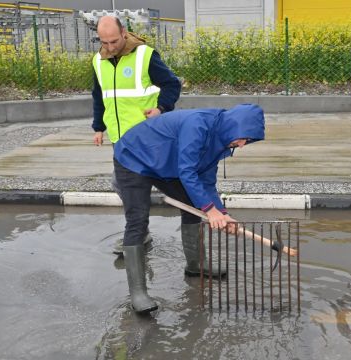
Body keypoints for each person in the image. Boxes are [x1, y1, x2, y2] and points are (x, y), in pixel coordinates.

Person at [112, 104, 265, 313]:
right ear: (233, 126)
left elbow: (206, 182)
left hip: (166, 163)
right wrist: (210, 211)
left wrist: (222, 213)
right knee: (138, 219)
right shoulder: (198, 124)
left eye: (248, 141)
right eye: (243, 138)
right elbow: (187, 172)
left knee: (195, 203)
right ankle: (138, 292)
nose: (242, 145)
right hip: (134, 157)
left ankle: (196, 265)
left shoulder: (222, 141)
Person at [90, 15, 181, 255]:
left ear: (124, 33)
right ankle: (140, 231)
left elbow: (172, 84)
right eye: (104, 42)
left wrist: (161, 109)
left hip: (146, 137)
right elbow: (100, 97)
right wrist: (99, 127)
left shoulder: (145, 55)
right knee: (120, 184)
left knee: (168, 184)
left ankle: (145, 232)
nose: (109, 47)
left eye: (113, 41)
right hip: (120, 141)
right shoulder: (99, 61)